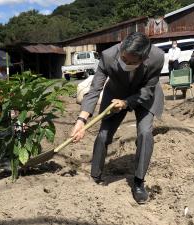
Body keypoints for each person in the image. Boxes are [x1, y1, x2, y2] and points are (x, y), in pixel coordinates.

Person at [70, 32, 164, 204]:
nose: (125, 64)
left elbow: (148, 90)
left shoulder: (157, 57)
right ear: (122, 47)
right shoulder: (107, 56)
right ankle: (95, 175)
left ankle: (138, 182)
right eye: (123, 59)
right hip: (115, 94)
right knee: (104, 135)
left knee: (144, 133)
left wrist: (127, 102)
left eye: (131, 62)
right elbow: (95, 90)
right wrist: (81, 120)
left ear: (143, 59)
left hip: (145, 96)